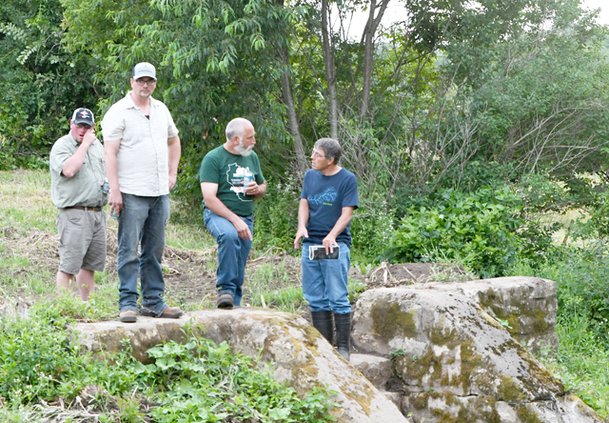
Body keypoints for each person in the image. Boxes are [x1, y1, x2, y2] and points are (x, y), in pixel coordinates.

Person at [101, 62, 183, 323]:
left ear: (155, 83)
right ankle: (127, 302)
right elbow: (109, 152)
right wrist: (114, 189)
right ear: (132, 82)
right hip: (131, 191)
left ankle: (153, 301)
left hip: (159, 191)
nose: (145, 85)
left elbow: (174, 140)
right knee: (128, 249)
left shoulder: (161, 110)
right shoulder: (118, 112)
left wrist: (172, 173)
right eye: (141, 81)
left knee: (155, 249)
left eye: (150, 81)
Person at [293, 138, 359, 360]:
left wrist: (332, 235)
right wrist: (301, 227)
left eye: (317, 155)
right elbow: (304, 203)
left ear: (330, 160)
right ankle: (324, 346)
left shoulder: (347, 179)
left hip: (335, 244)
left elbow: (347, 213)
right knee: (315, 297)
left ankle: (343, 348)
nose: (312, 158)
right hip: (311, 243)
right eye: (312, 153)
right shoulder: (311, 175)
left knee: (337, 295)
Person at [199, 117, 267, 309]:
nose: (254, 141)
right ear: (236, 139)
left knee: (239, 259)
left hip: (246, 217)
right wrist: (235, 221)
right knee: (229, 236)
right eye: (250, 137)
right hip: (218, 215)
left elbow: (263, 185)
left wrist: (258, 189)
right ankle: (224, 290)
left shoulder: (251, 157)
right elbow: (209, 198)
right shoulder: (213, 159)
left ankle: (233, 304)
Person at [49, 107, 107, 301]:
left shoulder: (97, 146)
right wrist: (84, 145)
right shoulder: (63, 145)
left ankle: (86, 306)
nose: (82, 130)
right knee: (69, 265)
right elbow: (69, 170)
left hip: (97, 212)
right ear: (71, 124)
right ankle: (63, 307)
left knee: (90, 265)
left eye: (87, 126)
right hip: (74, 213)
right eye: (79, 125)